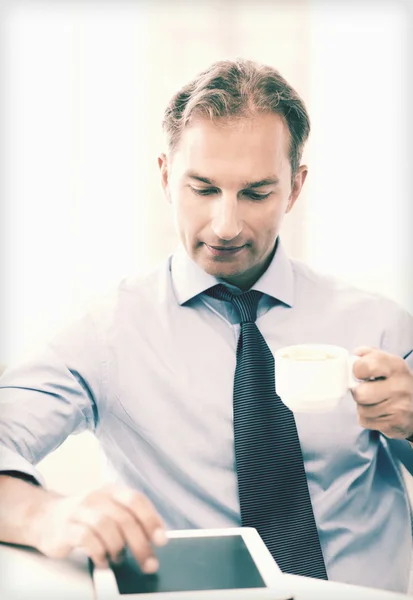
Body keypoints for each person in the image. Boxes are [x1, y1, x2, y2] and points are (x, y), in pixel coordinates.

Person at [1, 58, 413, 594]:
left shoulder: (379, 324)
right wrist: (46, 517)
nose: (225, 225)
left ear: (294, 188)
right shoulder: (103, 334)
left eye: (256, 193)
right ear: (166, 176)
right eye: (203, 188)